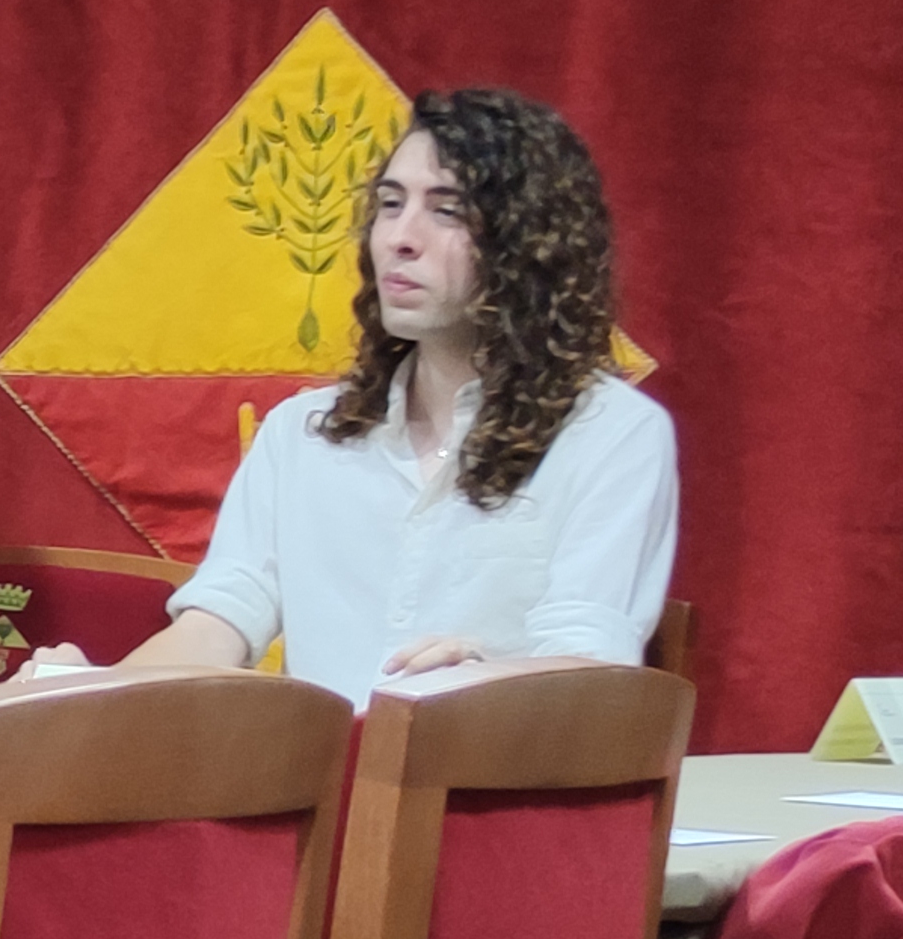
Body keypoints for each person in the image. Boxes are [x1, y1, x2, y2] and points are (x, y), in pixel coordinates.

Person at [51, 89, 671, 693]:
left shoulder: (612, 434)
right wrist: (77, 695)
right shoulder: (301, 432)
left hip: (492, 786)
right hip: (324, 789)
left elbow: (591, 662)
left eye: (446, 209)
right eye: (391, 203)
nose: (400, 238)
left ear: (530, 244)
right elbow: (221, 621)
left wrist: (491, 680)